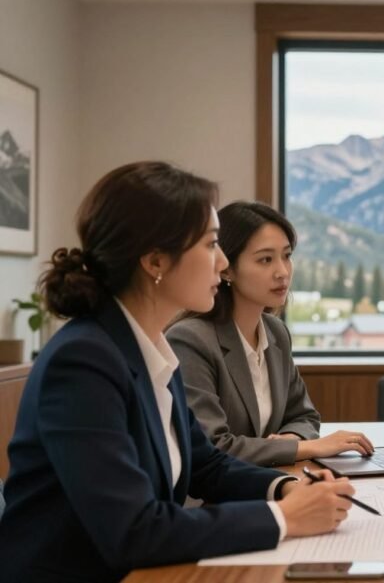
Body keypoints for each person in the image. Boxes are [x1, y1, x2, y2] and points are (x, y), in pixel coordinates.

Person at [0, 162, 356, 582]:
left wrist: (286, 489)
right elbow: (134, 530)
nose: (222, 262)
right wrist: (282, 518)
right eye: (210, 245)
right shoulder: (83, 362)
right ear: (155, 262)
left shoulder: (148, 347)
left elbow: (207, 465)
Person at [167, 202, 373, 467]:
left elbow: (305, 416)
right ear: (226, 268)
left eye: (286, 256)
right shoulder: (190, 340)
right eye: (266, 259)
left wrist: (290, 439)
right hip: (212, 500)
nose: (282, 272)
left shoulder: (276, 333)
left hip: (270, 481)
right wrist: (302, 448)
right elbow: (213, 447)